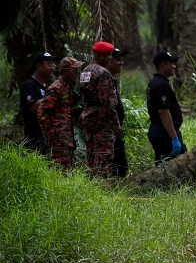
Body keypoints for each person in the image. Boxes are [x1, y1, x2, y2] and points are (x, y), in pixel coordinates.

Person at [80, 42, 122, 177]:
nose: (110, 57)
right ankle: (103, 187)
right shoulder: (103, 73)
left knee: (91, 155)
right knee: (104, 156)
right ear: (99, 55)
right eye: (108, 55)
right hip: (102, 121)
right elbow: (108, 103)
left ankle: (91, 186)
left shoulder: (85, 71)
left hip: (88, 118)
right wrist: (116, 125)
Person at [37, 57, 82, 169]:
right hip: (58, 140)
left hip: (65, 139)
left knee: (67, 171)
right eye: (74, 70)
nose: (77, 73)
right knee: (60, 171)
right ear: (65, 71)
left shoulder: (66, 87)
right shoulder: (56, 88)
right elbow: (42, 113)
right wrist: (50, 137)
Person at [146, 51, 186, 163]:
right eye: (171, 63)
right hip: (164, 133)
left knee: (162, 165)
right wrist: (174, 138)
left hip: (160, 131)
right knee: (180, 164)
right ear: (163, 65)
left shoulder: (155, 82)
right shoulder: (161, 85)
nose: (174, 66)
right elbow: (163, 112)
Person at [19, 52, 56, 153]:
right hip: (34, 137)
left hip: (46, 136)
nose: (52, 68)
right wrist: (54, 96)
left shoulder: (47, 85)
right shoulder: (29, 85)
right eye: (49, 64)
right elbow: (34, 107)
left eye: (53, 65)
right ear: (39, 66)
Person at [108, 48, 129, 177]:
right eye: (118, 60)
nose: (121, 63)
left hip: (116, 131)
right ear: (109, 61)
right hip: (109, 132)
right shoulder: (105, 80)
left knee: (121, 167)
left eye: (122, 60)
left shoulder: (113, 81)